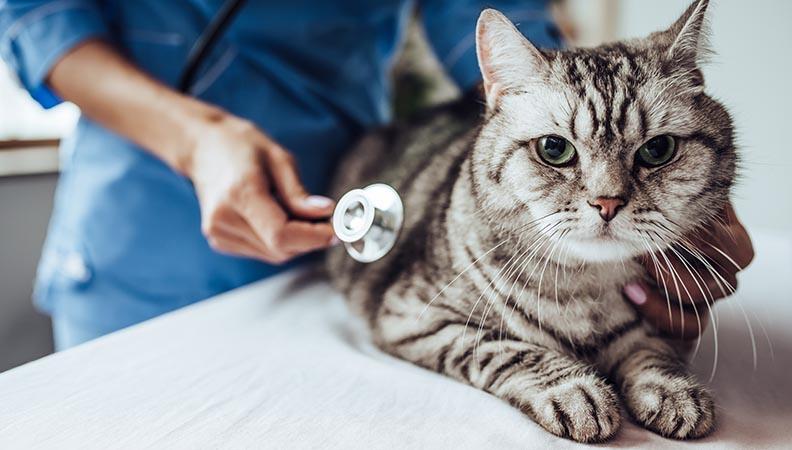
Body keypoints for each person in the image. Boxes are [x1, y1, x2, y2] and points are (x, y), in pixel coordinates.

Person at [0, 1, 752, 350]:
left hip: (355, 205)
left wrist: (570, 107)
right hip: (144, 220)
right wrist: (196, 140)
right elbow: (37, 14)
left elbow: (485, 14)